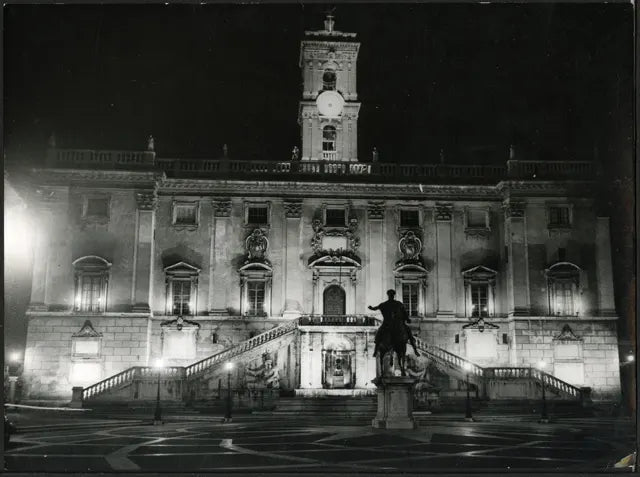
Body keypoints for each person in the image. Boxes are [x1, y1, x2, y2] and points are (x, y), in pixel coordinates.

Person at [368, 289, 420, 357]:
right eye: (391, 295)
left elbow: (376, 308)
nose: (391, 296)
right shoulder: (397, 304)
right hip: (396, 324)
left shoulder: (385, 304)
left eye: (391, 295)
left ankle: (375, 351)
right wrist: (407, 319)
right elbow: (405, 313)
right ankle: (415, 350)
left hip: (387, 324)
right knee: (409, 333)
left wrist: (371, 308)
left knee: (379, 334)